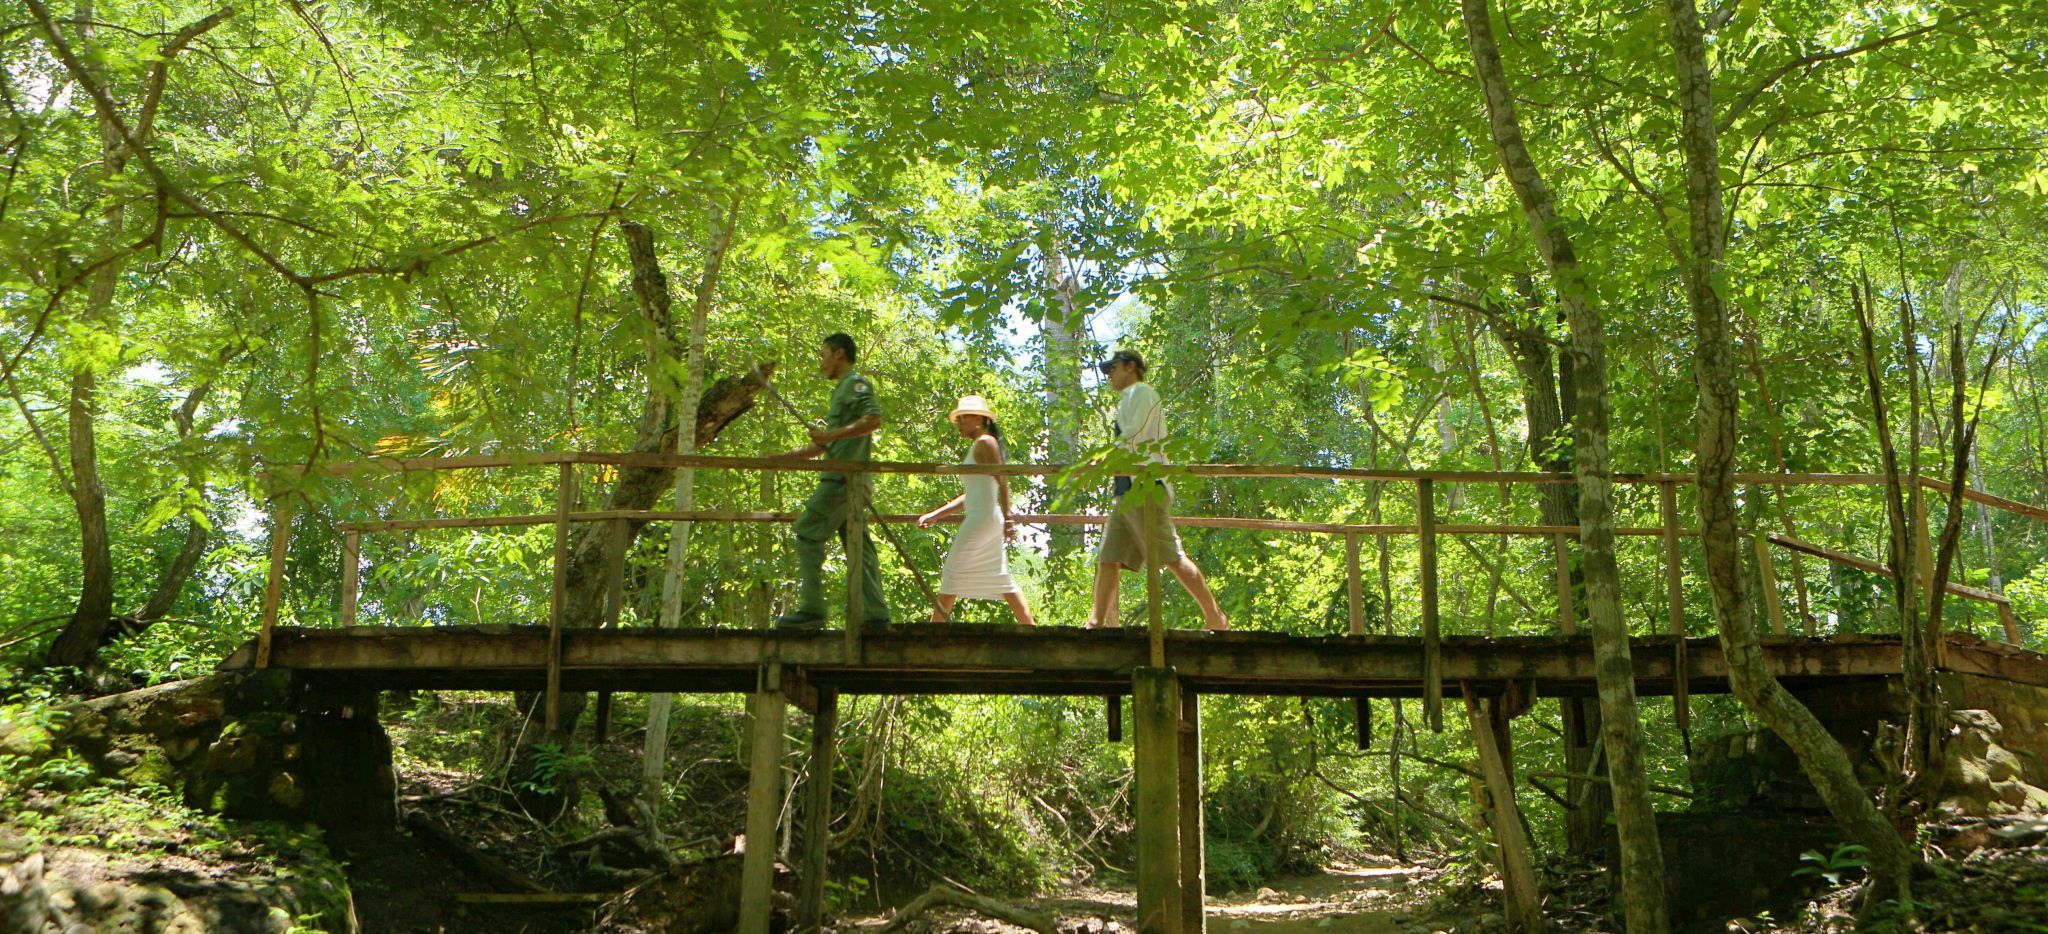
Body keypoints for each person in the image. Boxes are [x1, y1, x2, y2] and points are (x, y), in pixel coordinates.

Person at [1087, 349, 1230, 631]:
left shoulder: (1141, 392)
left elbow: (1135, 436)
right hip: (1126, 490)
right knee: (1109, 557)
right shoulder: (1128, 398)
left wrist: (1105, 457)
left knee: (1171, 557)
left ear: (1130, 367)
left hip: (1146, 487)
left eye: (1112, 368)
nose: (1109, 375)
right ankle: (1096, 622)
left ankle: (1216, 618)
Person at [774, 333, 891, 629]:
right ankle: (875, 616)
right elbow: (824, 446)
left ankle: (812, 610)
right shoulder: (840, 391)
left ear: (839, 354)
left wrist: (830, 435)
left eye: (823, 354)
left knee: (806, 531)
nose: (821, 361)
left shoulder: (855, 383)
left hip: (842, 480)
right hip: (846, 479)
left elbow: (873, 419)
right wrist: (782, 458)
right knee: (857, 547)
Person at [916, 395, 1037, 626]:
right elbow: (972, 493)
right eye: (957, 419)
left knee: (952, 571)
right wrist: (936, 514)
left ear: (979, 419)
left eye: (963, 418)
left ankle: (933, 635)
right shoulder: (978, 445)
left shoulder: (985, 443)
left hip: (984, 518)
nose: (959, 423)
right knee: (1000, 579)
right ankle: (1030, 628)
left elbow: (1002, 479)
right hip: (981, 516)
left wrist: (1009, 520)